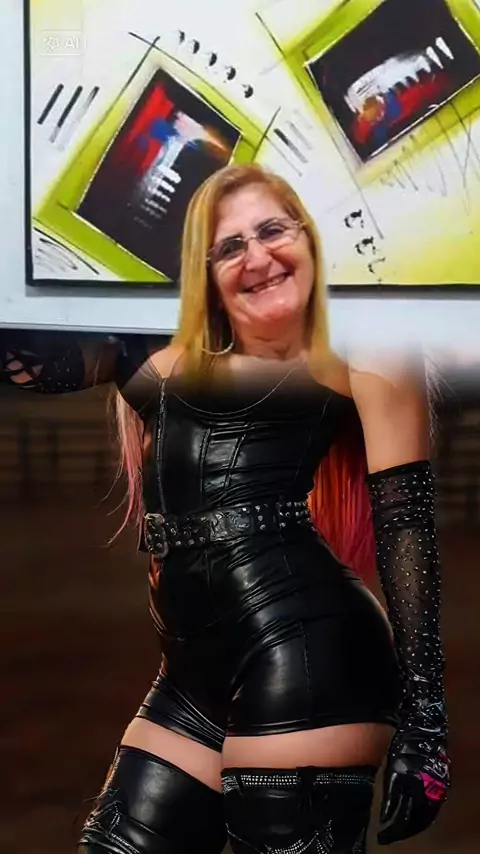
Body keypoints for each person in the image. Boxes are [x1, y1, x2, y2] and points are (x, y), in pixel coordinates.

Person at [0, 163, 450, 853]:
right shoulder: (160, 340)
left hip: (306, 653)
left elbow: (405, 523)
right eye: (230, 246)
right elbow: (32, 358)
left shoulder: (369, 338)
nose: (257, 256)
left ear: (311, 234)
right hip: (189, 676)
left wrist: (427, 725)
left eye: (273, 231)